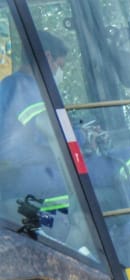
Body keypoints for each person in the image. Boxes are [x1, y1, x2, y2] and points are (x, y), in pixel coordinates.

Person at [0, 29, 72, 235]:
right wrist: (83, 137)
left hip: (32, 192)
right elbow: (57, 133)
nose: (60, 73)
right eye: (60, 66)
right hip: (30, 196)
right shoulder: (24, 89)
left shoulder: (14, 88)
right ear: (47, 57)